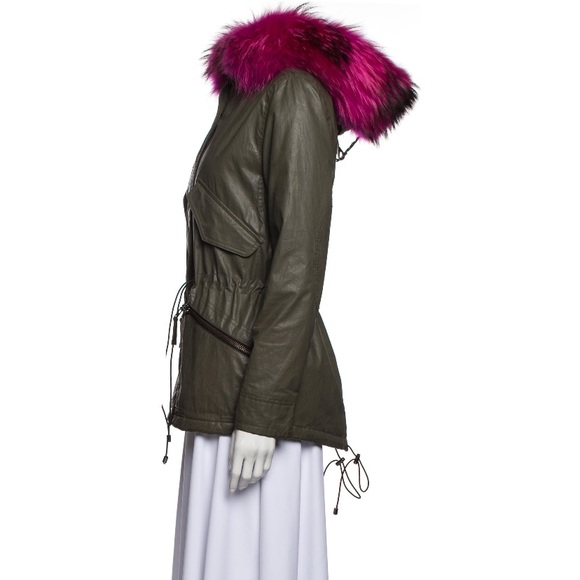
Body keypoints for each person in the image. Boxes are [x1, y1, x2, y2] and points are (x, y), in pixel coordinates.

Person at [162, 4, 418, 579]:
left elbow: (298, 267)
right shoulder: (247, 96)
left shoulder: (295, 93)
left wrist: (262, 413)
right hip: (221, 381)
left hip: (255, 399)